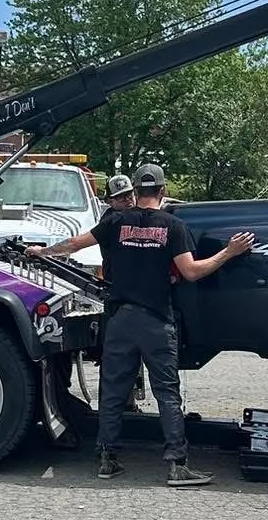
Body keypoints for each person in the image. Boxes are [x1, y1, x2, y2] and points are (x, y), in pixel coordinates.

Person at [30, 164, 254, 486]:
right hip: (155, 322)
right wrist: (229, 253)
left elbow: (75, 245)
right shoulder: (173, 226)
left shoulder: (116, 223)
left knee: (113, 392)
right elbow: (190, 272)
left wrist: (42, 252)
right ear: (162, 192)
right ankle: (177, 465)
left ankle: (107, 460)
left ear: (135, 193)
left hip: (120, 320)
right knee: (166, 393)